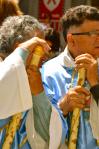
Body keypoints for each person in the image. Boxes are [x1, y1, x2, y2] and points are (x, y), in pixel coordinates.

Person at [0, 15, 63, 149]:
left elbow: (50, 135)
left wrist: (38, 93)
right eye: (38, 47)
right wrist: (21, 55)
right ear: (19, 47)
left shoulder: (38, 78)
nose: (45, 56)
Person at [41, 5, 99, 149]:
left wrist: (95, 83)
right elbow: (37, 127)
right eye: (94, 33)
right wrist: (62, 108)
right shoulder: (48, 72)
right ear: (71, 39)